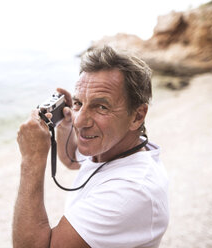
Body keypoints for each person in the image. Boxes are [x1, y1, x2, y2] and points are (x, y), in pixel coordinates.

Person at [13, 45, 169, 248]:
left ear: (137, 116)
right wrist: (65, 125)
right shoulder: (113, 146)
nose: (80, 121)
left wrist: (31, 159)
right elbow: (72, 159)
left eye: (101, 106)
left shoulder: (130, 191)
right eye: (78, 103)